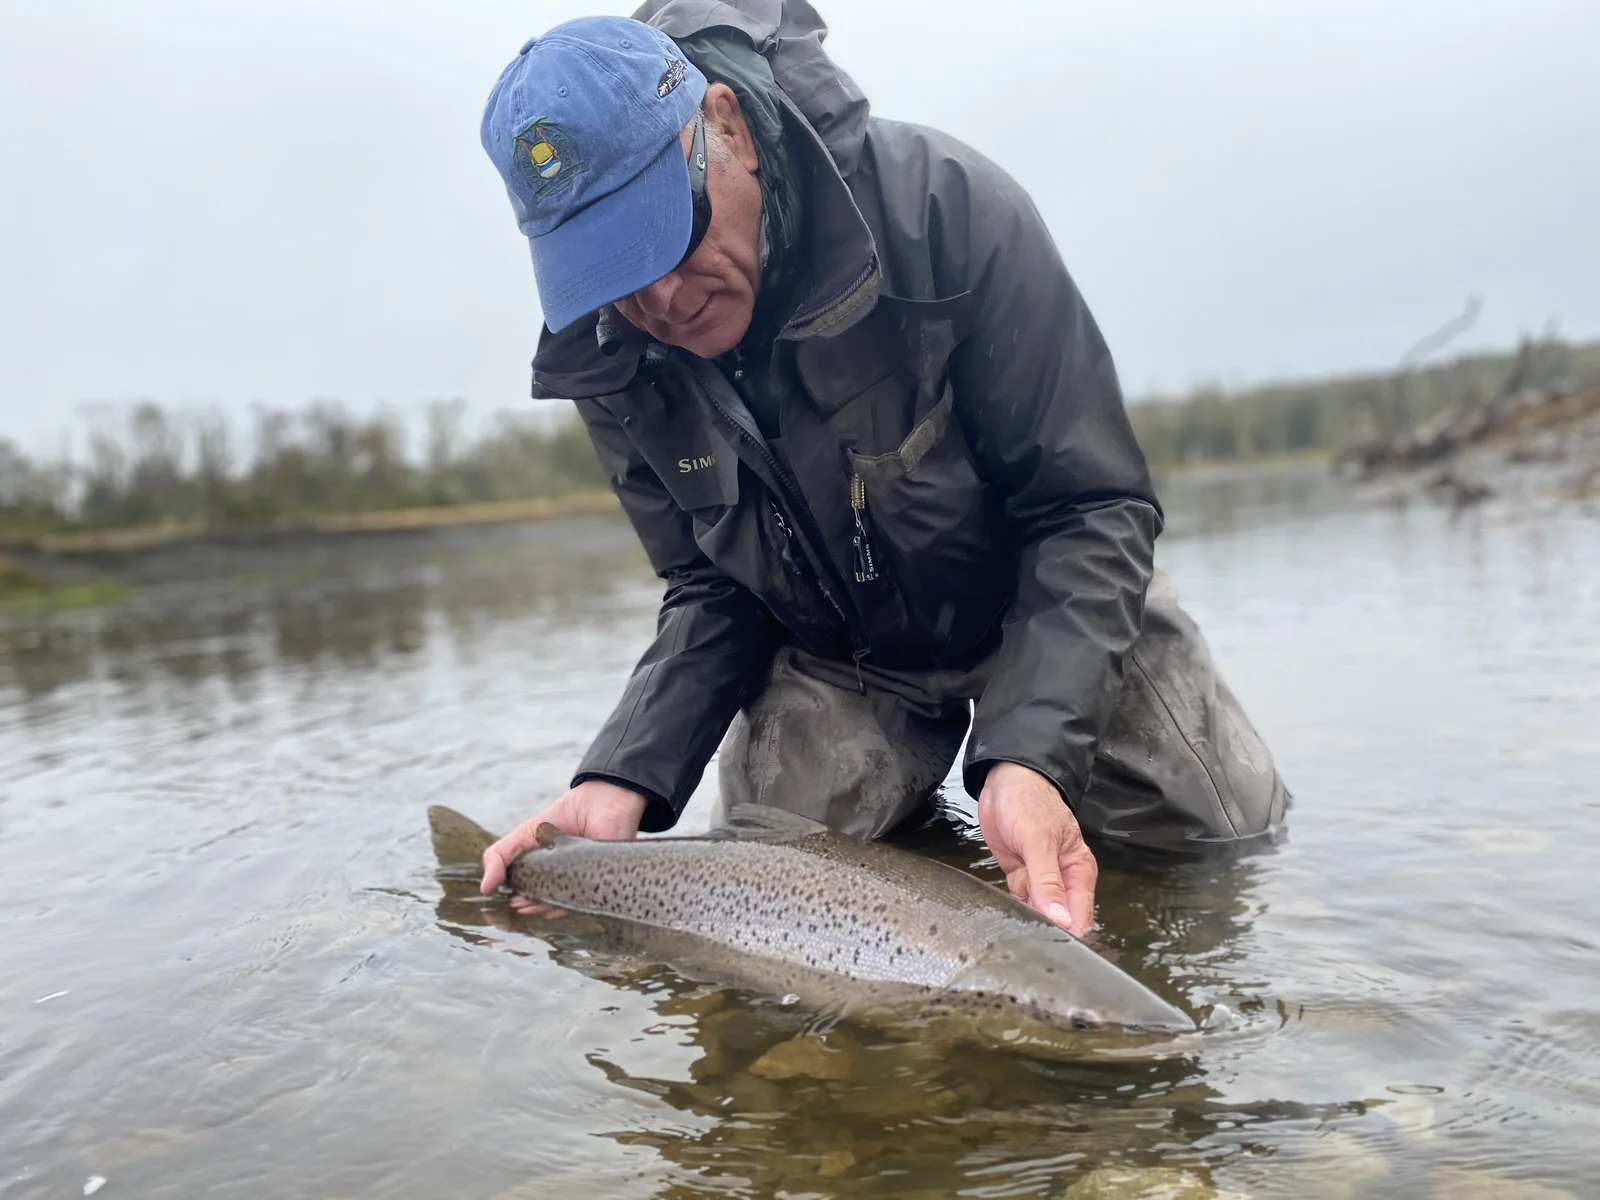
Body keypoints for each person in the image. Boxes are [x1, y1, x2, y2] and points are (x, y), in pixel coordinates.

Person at [475, 1, 1288, 936]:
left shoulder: (945, 209)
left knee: (1221, 846)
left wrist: (1028, 756)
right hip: (841, 660)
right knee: (766, 901)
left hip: (1045, 598)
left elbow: (1091, 507)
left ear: (727, 128)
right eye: (612, 270)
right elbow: (710, 586)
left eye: (668, 231)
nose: (659, 294)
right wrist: (621, 773)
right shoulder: (617, 351)